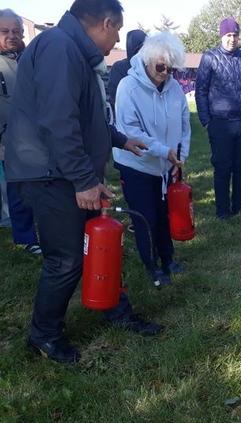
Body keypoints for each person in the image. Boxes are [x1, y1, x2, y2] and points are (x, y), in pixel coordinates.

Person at [5, 0, 163, 364]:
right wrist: (82, 181)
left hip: (69, 173)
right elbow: (58, 120)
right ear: (106, 23)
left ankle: (114, 308)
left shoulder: (73, 51)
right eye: (118, 31)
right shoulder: (60, 47)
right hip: (51, 175)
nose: (117, 40)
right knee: (66, 259)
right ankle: (44, 334)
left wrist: (121, 139)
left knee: (104, 240)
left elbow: (82, 116)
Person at [113, 31, 191, 284]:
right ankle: (152, 264)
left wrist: (181, 153)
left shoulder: (174, 87)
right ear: (147, 60)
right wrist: (161, 150)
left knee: (164, 214)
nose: (166, 73)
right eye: (161, 67)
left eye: (171, 69)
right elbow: (129, 131)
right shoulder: (128, 87)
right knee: (146, 217)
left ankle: (168, 258)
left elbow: (184, 123)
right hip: (136, 164)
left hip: (166, 165)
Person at [195, 17, 241, 220]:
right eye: (229, 35)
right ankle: (222, 209)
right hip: (220, 123)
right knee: (223, 167)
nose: (232, 39)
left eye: (235, 35)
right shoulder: (209, 58)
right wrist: (206, 120)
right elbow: (201, 91)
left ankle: (239, 205)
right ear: (222, 35)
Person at [0, 9, 41, 254]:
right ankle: (25, 237)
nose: (11, 36)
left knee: (39, 187)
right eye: (5, 31)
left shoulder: (30, 57)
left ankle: (43, 229)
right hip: (8, 140)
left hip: (37, 138)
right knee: (17, 191)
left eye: (16, 31)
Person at [107, 28, 147, 115]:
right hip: (124, 115)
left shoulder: (150, 68)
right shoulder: (119, 68)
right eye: (140, 49)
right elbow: (114, 96)